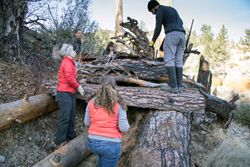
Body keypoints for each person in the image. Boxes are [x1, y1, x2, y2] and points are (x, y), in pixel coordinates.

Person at [84, 76, 130, 167]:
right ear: (114, 87)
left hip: (92, 143)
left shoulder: (91, 102)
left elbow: (86, 123)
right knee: (107, 154)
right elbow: (124, 128)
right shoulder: (119, 104)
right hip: (110, 145)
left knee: (102, 158)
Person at [147, 0, 186, 93]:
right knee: (178, 60)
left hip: (172, 34)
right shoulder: (172, 10)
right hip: (182, 35)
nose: (152, 13)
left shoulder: (160, 11)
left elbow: (158, 28)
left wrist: (152, 42)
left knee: (169, 60)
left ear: (154, 7)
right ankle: (179, 86)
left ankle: (173, 87)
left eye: (151, 11)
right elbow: (181, 22)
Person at [55, 44, 85, 146]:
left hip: (70, 94)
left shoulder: (70, 62)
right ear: (68, 53)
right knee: (65, 118)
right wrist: (78, 86)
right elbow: (69, 78)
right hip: (64, 94)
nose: (74, 52)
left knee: (71, 117)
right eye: (72, 50)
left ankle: (71, 137)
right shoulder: (66, 62)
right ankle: (60, 141)